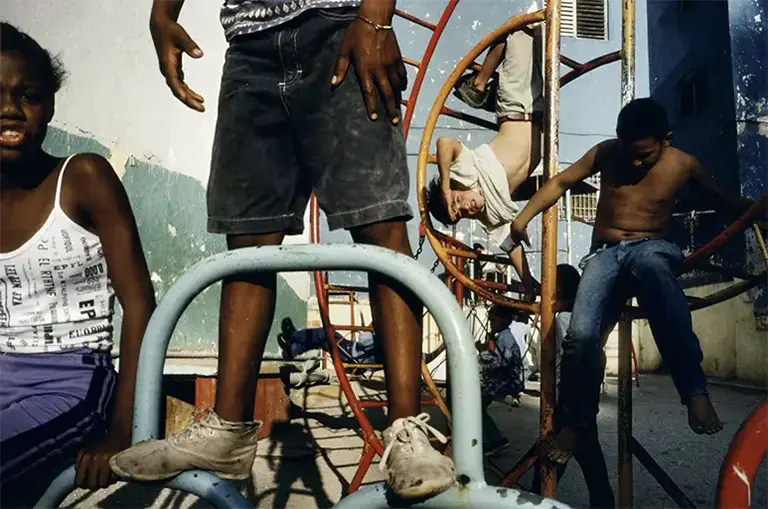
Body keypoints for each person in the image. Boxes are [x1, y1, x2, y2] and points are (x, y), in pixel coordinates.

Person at [109, 0, 456, 499]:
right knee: (248, 240)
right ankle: (227, 431)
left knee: (379, 223)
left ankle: (406, 429)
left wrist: (376, 16)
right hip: (249, 43)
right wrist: (161, 15)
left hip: (341, 24)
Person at [509, 97, 757, 465]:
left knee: (661, 283)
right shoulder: (607, 153)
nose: (637, 162)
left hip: (652, 248)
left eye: (646, 154)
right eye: (631, 152)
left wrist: (757, 209)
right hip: (605, 253)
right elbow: (561, 181)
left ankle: (694, 392)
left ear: (666, 140)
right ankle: (577, 422)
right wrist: (521, 219)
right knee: (580, 335)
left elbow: (721, 199)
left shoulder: (684, 164)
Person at [0, 23, 155, 506]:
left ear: (50, 105)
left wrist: (122, 429)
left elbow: (140, 304)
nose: (10, 109)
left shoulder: (83, 177)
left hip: (71, 380)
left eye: (28, 95)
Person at [423, 10, 544, 300]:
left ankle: (479, 85)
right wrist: (527, 284)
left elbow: (445, 142)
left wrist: (446, 187)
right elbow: (511, 242)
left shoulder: (466, 175)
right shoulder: (490, 215)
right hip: (540, 111)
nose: (466, 208)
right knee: (542, 33)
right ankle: (480, 86)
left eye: (458, 203)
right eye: (462, 214)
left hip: (515, 103)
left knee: (518, 31)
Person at [478, 305, 530, 456]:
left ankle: (493, 441)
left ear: (506, 320)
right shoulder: (502, 335)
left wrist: (482, 354)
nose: (491, 324)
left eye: (494, 320)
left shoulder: (505, 337)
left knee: (477, 408)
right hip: (501, 379)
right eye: (489, 321)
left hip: (505, 380)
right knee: (479, 408)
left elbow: (502, 361)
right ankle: (495, 439)